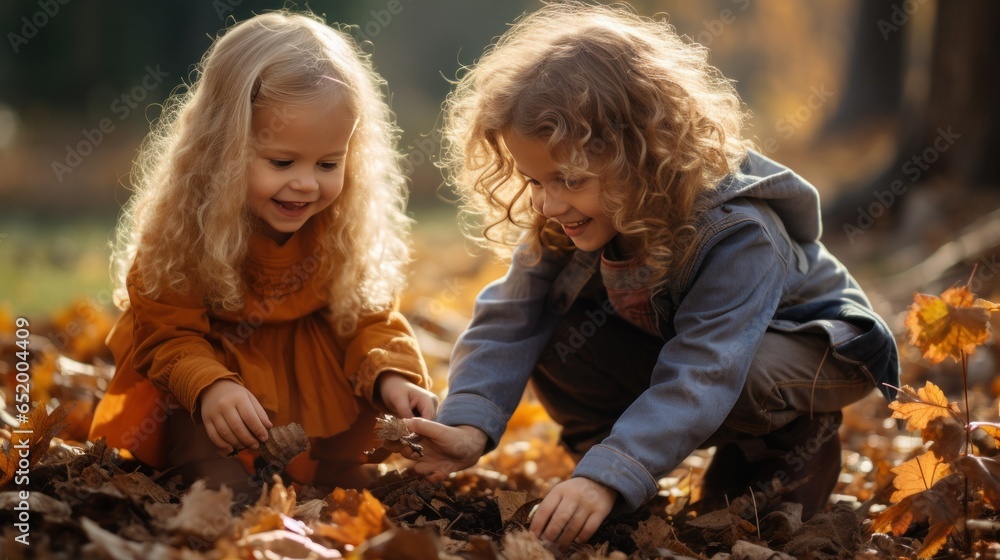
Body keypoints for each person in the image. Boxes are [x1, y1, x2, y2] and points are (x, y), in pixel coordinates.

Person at [402, 2, 899, 550]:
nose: (546, 203)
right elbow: (510, 316)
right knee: (560, 332)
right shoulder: (575, 216)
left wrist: (608, 476)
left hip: (813, 348)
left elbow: (706, 368)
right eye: (535, 180)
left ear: (641, 153)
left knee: (744, 374)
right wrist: (469, 425)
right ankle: (615, 471)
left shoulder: (738, 234)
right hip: (704, 351)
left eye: (566, 179)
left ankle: (793, 441)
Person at [89, 11, 437, 494]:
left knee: (351, 471)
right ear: (224, 148)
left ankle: (334, 473)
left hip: (309, 405)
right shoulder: (185, 232)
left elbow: (368, 317)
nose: (305, 183)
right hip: (216, 400)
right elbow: (167, 332)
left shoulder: (337, 227)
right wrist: (211, 386)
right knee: (217, 475)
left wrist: (392, 377)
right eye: (281, 161)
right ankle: (217, 474)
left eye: (328, 163)